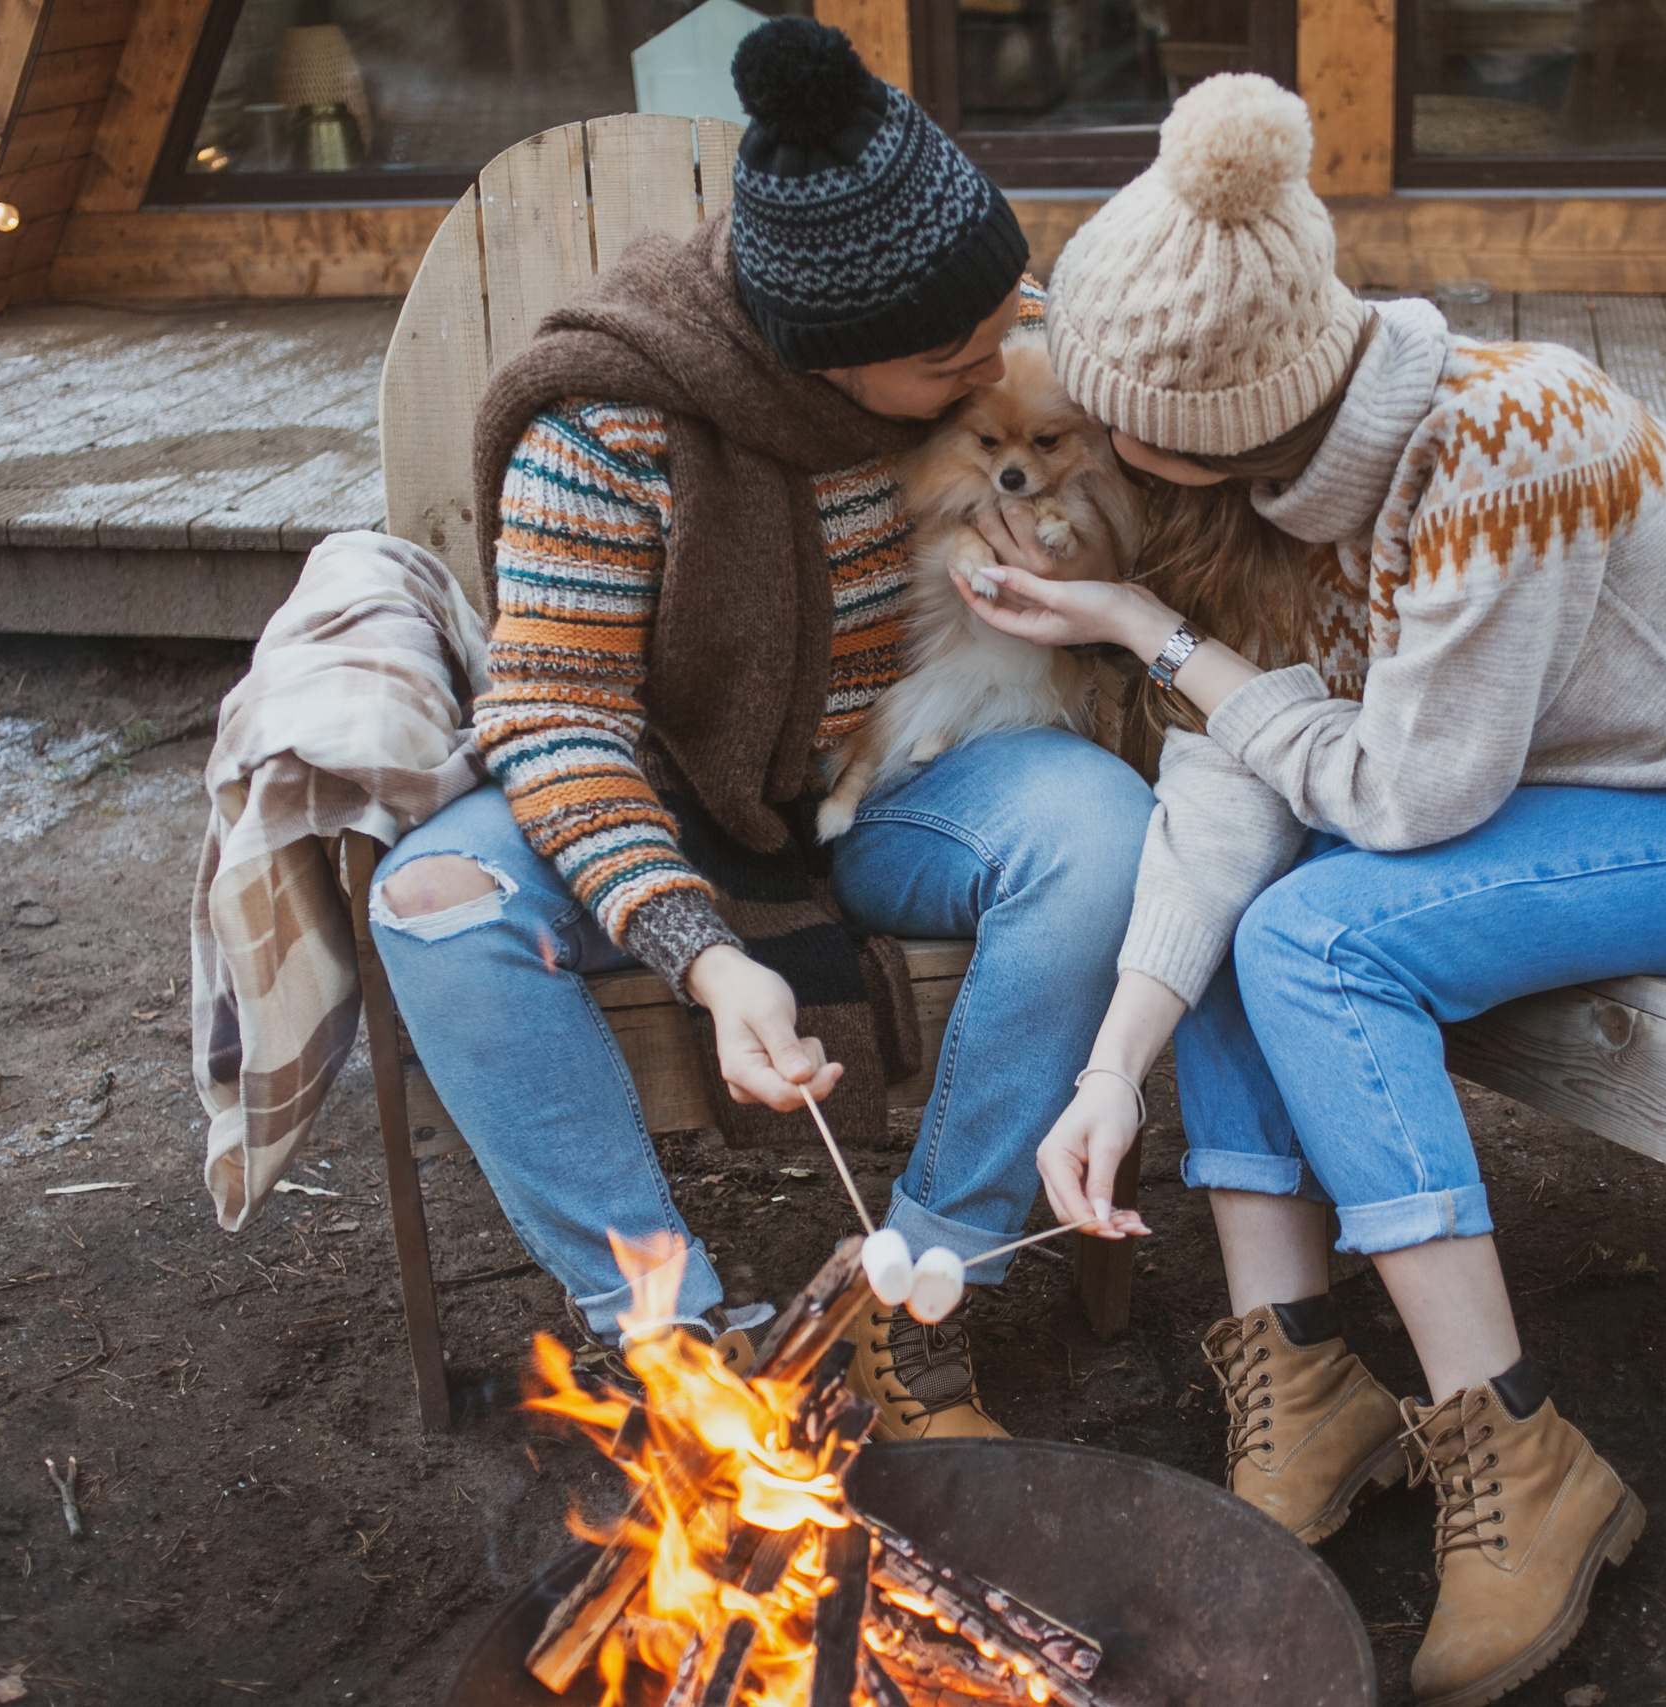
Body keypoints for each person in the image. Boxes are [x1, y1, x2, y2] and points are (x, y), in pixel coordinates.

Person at [963, 75, 1666, 1707]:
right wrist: (1116, 1062)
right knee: (1257, 903)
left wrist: (1146, 634)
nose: (1080, 450)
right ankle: (1303, 1382)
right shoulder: (1248, 486)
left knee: (1318, 940)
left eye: (1101, 420)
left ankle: (1522, 1457)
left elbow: (1402, 797)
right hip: (1558, 791)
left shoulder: (1498, 449)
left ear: (1197, 424)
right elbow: (1231, 779)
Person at [367, 19, 1150, 1440]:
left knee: (1108, 836)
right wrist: (705, 954)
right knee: (430, 899)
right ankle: (676, 1343)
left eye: (1006, 332)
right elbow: (553, 716)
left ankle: (918, 1291)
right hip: (662, 793)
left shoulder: (995, 345)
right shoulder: (610, 430)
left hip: (901, 775)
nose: (1000, 369)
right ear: (827, 363)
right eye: (956, 364)